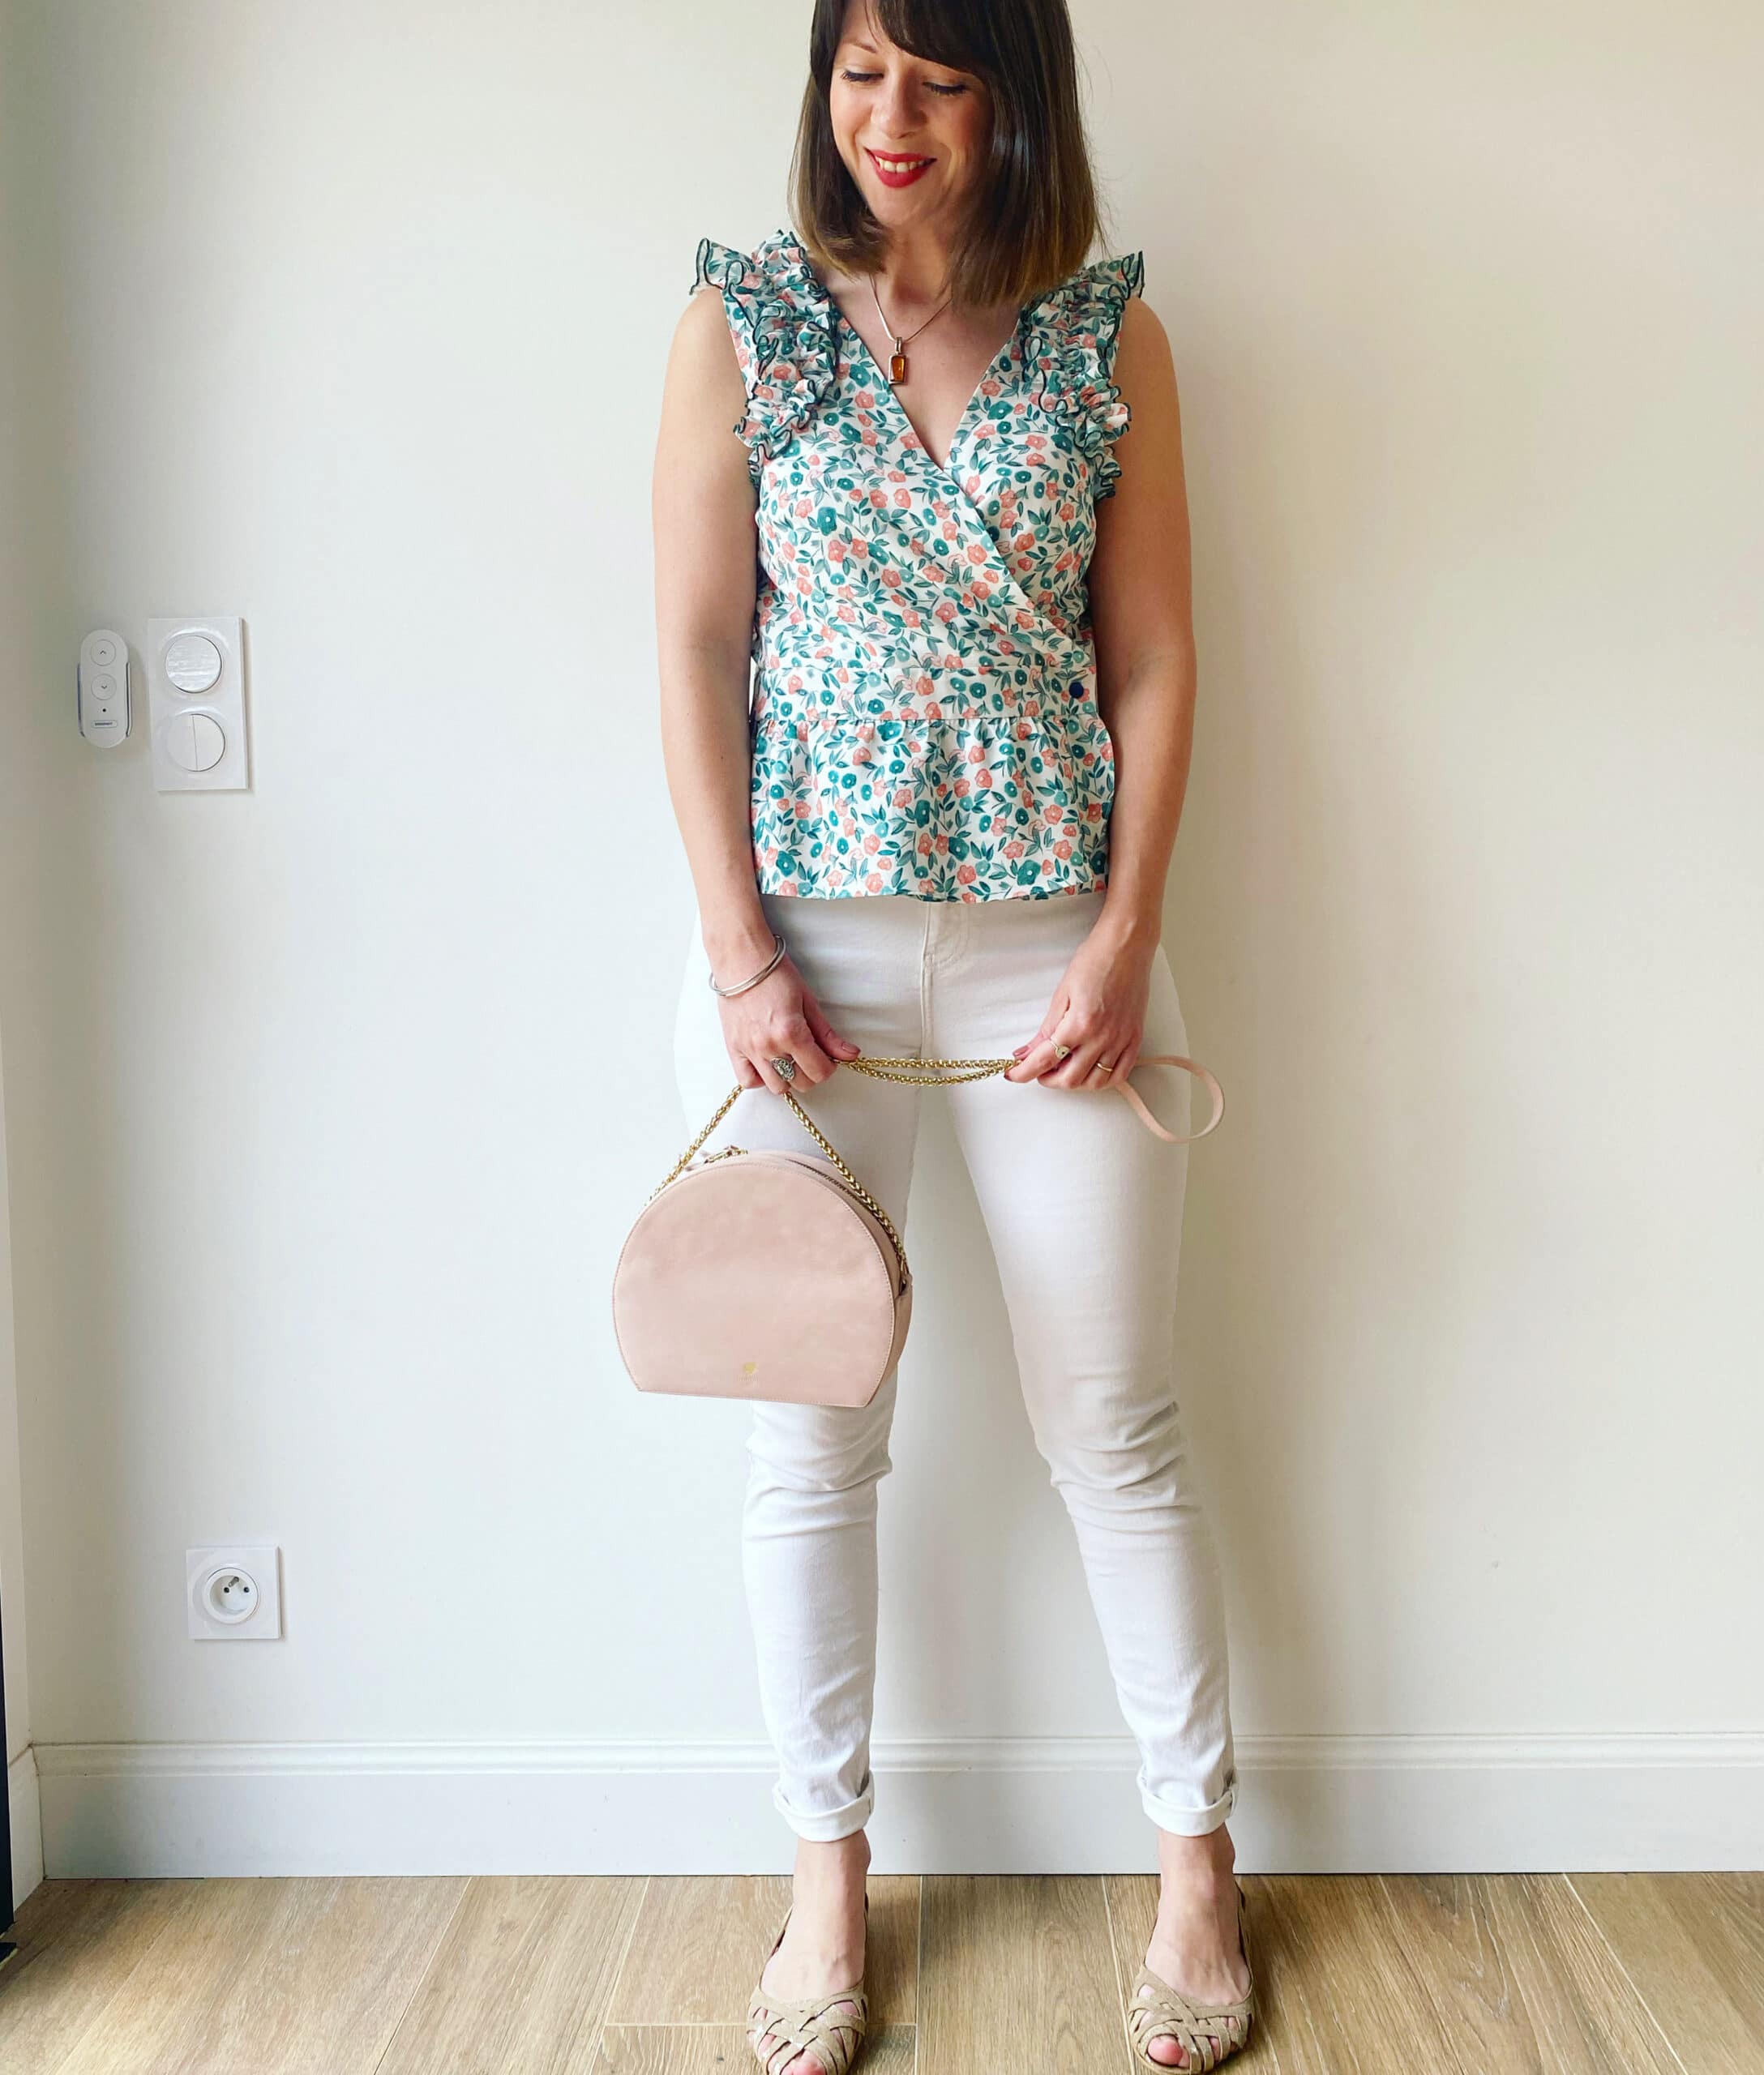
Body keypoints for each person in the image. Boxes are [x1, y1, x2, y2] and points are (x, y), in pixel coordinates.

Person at [652, 2, 1255, 2069]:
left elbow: (1153, 656)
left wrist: (1124, 938)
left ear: (1016, 99)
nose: (886, 118)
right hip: (792, 964)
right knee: (808, 1434)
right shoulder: (740, 324)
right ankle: (824, 1886)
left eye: (937, 76)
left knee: (1115, 1423)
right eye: (856, 70)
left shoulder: (1107, 340)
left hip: (1054, 959)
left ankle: (1195, 1872)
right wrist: (736, 951)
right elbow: (693, 646)